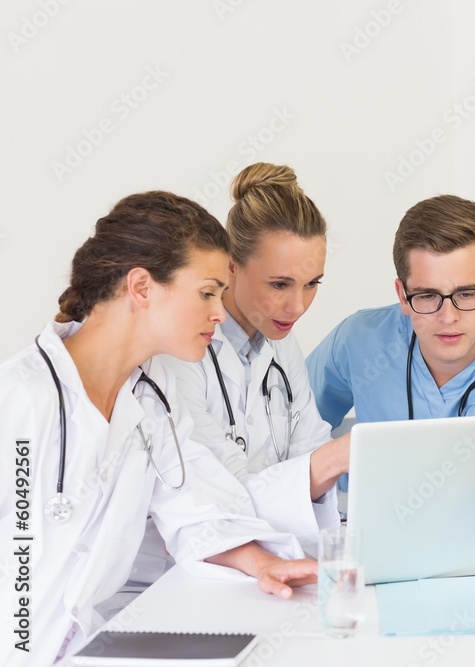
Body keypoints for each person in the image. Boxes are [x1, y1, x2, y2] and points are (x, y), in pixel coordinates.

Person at [0, 191, 315, 666]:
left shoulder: (153, 393)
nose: (218, 311)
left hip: (82, 647)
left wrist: (263, 562)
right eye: (207, 292)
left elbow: (194, 503)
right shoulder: (23, 398)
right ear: (142, 287)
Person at [159, 163, 345, 554]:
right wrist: (332, 461)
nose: (298, 306)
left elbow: (308, 447)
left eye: (312, 284)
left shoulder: (281, 343)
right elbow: (222, 498)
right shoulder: (179, 350)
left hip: (267, 558)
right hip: (180, 573)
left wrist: (322, 464)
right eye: (279, 284)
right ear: (231, 266)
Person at [306, 194, 475, 435]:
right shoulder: (359, 340)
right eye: (428, 296)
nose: (448, 317)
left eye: (466, 294)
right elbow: (286, 435)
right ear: (402, 295)